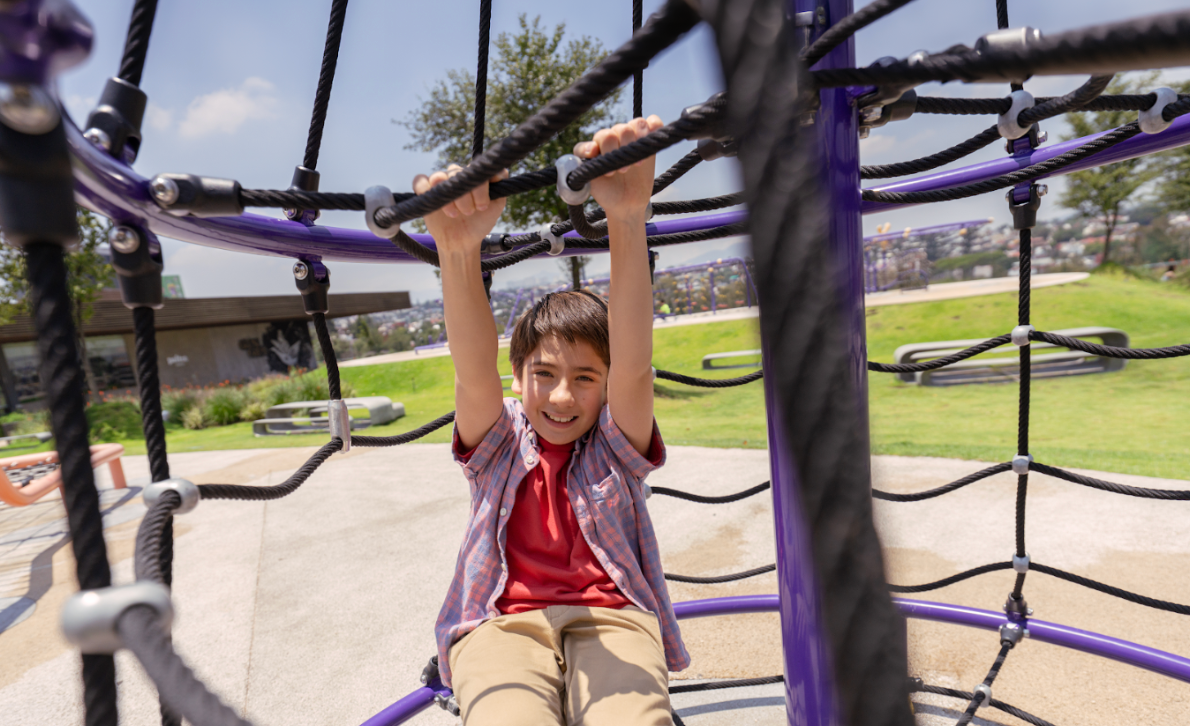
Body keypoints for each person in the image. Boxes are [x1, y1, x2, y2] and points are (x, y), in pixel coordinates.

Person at [414, 114, 688, 726]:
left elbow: (636, 366)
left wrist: (626, 218)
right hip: (503, 622)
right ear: (520, 378)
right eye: (544, 374)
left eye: (586, 378)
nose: (562, 396)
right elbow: (472, 371)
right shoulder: (501, 441)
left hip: (612, 616)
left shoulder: (615, 444)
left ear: (605, 386)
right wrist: (458, 253)